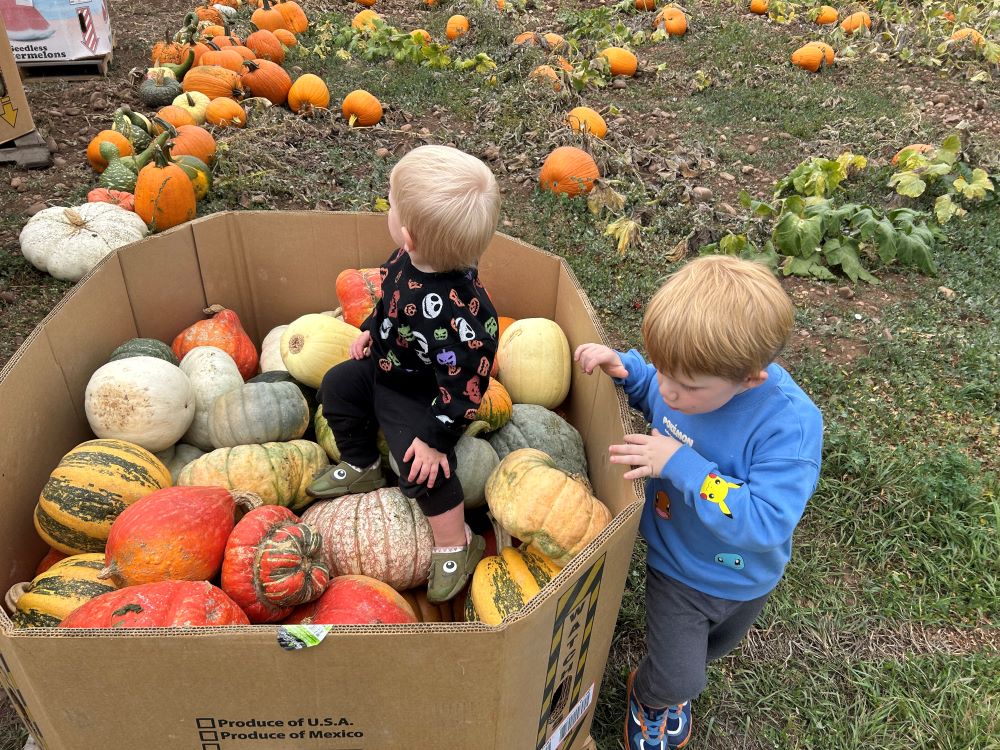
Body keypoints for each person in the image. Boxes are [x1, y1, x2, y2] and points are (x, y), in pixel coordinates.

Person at [574, 255, 823, 749]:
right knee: (680, 673)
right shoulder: (685, 384)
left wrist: (682, 466)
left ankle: (674, 678)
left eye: (686, 385)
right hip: (678, 569)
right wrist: (630, 372)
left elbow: (765, 520)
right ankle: (653, 697)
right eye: (664, 370)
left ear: (749, 379)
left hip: (747, 578)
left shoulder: (787, 430)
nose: (669, 391)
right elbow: (658, 396)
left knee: (717, 644)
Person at [307, 144, 501, 604]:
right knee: (336, 386)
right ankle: (362, 464)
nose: (388, 210)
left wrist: (436, 440)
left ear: (409, 233)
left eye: (391, 204)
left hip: (421, 394)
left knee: (420, 470)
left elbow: (467, 383)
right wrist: (372, 332)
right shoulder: (404, 260)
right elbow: (389, 302)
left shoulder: (461, 315)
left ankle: (456, 542)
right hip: (385, 365)